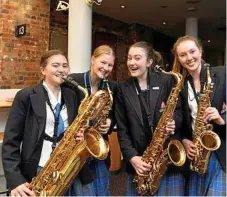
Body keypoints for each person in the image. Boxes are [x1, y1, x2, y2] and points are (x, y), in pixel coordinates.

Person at [2, 50, 94, 196]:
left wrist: (82, 133)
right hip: (39, 168)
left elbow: (77, 125)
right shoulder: (26, 96)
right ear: (42, 69)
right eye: (56, 65)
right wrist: (15, 180)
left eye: (65, 66)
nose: (61, 70)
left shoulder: (72, 94)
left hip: (68, 167)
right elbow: (10, 142)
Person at [115, 41, 185, 196]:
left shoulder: (166, 81)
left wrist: (174, 121)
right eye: (129, 58)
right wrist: (132, 157)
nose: (131, 62)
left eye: (137, 58)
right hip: (139, 162)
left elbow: (179, 112)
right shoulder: (122, 88)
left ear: (149, 62)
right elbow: (122, 127)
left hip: (165, 158)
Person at [172, 35, 226, 196]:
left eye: (192, 51)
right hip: (196, 154)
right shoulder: (181, 85)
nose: (189, 58)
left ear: (200, 51)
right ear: (179, 59)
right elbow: (179, 120)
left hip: (221, 152)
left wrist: (222, 118)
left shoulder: (223, 74)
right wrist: (184, 141)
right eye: (183, 55)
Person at [68, 45, 117, 196]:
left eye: (110, 65)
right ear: (92, 59)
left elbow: (116, 114)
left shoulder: (112, 87)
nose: (106, 68)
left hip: (97, 149)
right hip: (76, 150)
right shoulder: (73, 81)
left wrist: (110, 122)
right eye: (103, 62)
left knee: (103, 192)